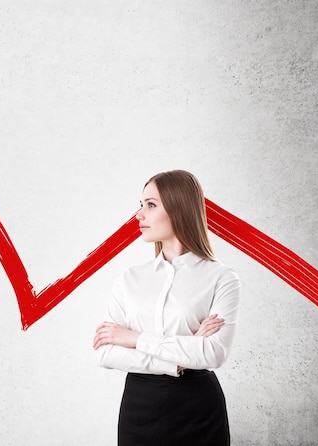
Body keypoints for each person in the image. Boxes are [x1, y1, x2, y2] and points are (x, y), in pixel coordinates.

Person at [93, 170, 241, 446]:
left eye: (150, 205)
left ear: (179, 206)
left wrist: (135, 339)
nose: (139, 215)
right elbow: (106, 353)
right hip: (139, 409)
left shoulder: (222, 278)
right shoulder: (129, 278)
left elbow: (214, 353)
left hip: (198, 411)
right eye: (141, 205)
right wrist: (181, 358)